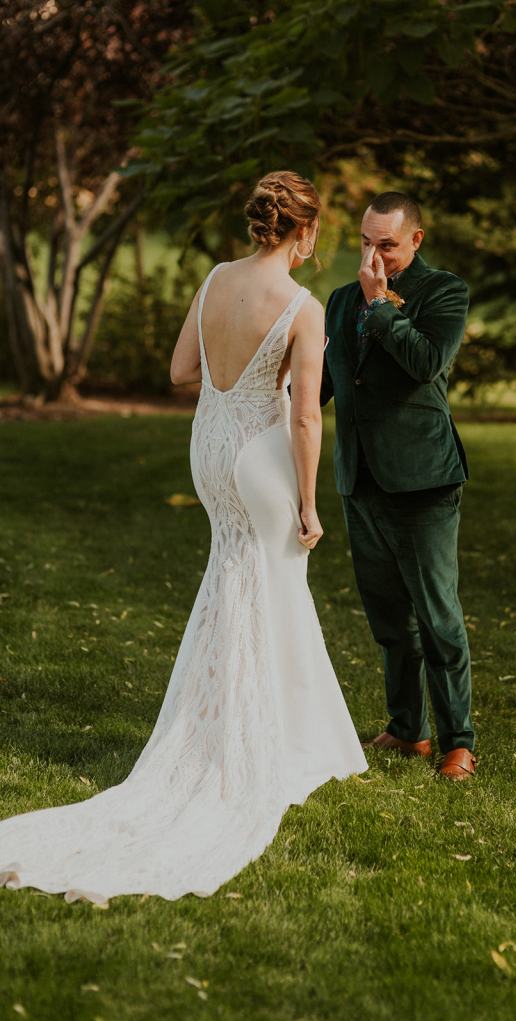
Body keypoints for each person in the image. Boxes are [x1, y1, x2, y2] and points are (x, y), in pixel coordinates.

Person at [0, 170, 368, 905]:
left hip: (207, 451)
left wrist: (231, 392)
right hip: (261, 456)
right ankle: (278, 740)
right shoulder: (300, 306)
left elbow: (180, 372)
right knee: (276, 583)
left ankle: (239, 721)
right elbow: (305, 417)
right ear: (305, 232)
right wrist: (308, 499)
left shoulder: (214, 280)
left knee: (234, 579)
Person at [320, 192, 477, 781]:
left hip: (423, 480)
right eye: (365, 243)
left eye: (386, 244)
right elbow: (323, 386)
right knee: (389, 618)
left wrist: (380, 303)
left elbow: (427, 361)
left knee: (438, 618)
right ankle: (407, 728)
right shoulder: (338, 301)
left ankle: (458, 740)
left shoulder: (444, 293)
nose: (374, 254)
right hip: (358, 477)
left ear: (416, 239)